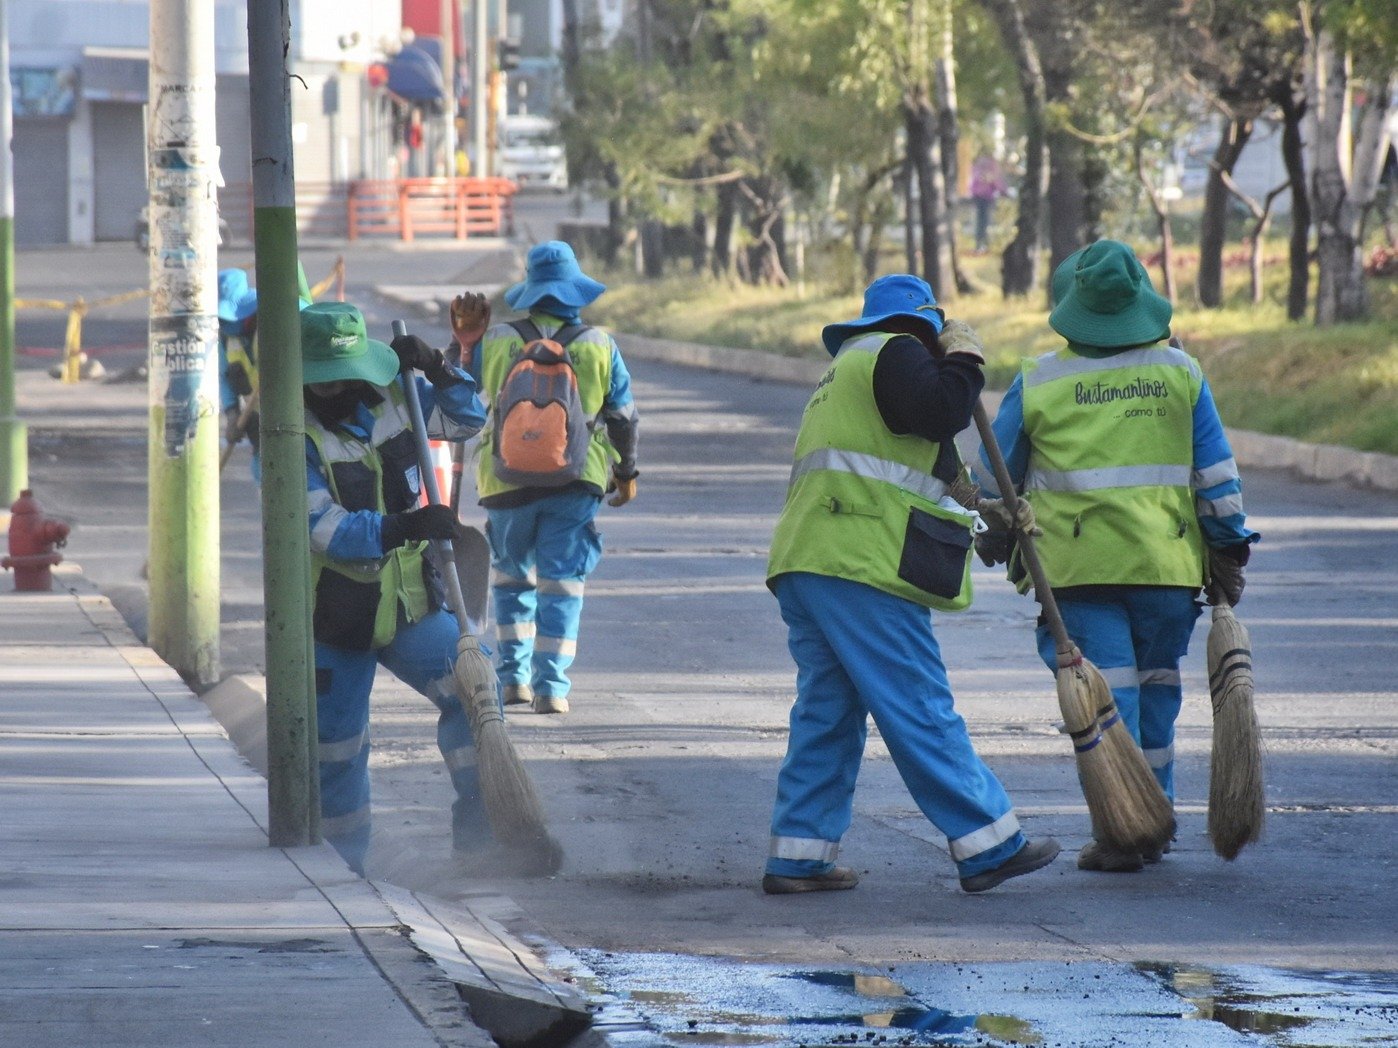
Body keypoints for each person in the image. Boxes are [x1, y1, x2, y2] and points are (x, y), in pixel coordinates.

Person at [761, 273, 1060, 896]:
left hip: (812, 561)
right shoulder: (894, 351)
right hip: (859, 561)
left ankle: (800, 852)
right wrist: (968, 361)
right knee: (918, 702)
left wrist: (992, 516)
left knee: (829, 711)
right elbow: (945, 409)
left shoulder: (851, 368)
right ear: (926, 327)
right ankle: (988, 843)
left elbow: (935, 466)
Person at [975, 239, 1259, 873]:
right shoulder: (1181, 373)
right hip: (1165, 571)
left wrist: (991, 534)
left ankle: (1124, 830)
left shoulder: (1040, 380)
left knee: (1107, 700)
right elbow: (1216, 477)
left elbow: (995, 479)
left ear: (1076, 307)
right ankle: (1153, 817)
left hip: (1077, 576)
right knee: (1156, 696)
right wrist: (1231, 548)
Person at [300, 300, 490, 876]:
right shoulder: (289, 435)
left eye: (344, 376)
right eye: (322, 381)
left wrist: (439, 367)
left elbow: (466, 421)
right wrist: (400, 525)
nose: (336, 389)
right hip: (333, 616)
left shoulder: (394, 398)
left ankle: (483, 841)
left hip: (411, 602)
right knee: (337, 750)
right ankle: (343, 871)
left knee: (476, 694)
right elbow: (320, 527)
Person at [448, 240, 640, 716]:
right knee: (562, 583)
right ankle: (551, 687)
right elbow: (623, 417)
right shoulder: (599, 343)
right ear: (576, 291)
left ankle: (513, 680)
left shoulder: (495, 341)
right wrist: (626, 471)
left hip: (504, 480)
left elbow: (456, 391)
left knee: (511, 578)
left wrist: (464, 345)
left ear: (530, 291)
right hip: (577, 480)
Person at [969, 152, 1006, 253]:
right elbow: (996, 182)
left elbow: (974, 183)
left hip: (982, 197)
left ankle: (981, 244)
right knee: (983, 222)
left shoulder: (980, 166)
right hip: (985, 197)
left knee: (982, 222)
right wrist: (1003, 191)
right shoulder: (990, 166)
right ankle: (982, 244)